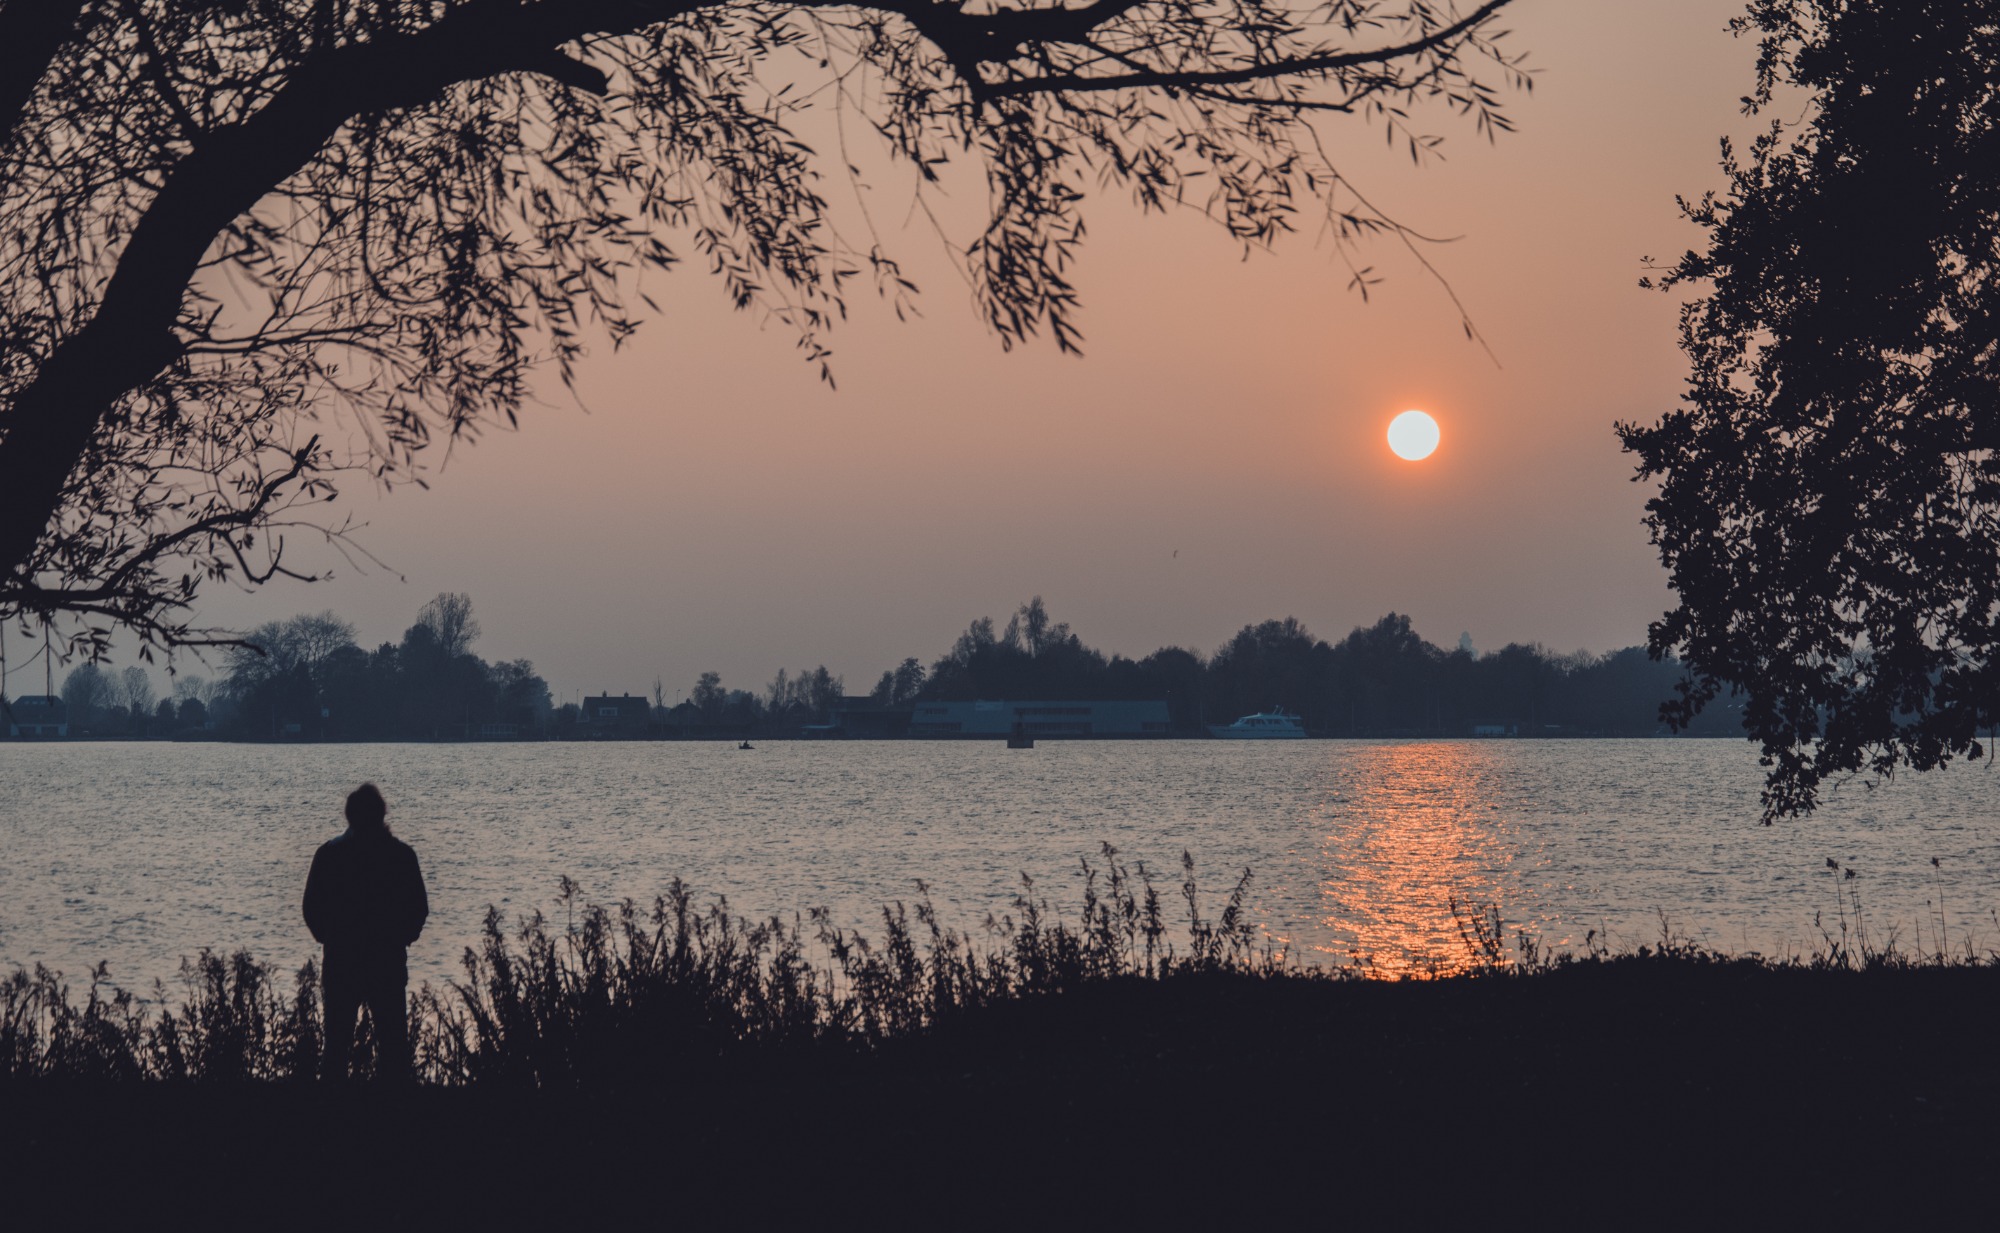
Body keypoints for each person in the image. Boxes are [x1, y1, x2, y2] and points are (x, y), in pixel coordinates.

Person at [303, 783, 429, 1081]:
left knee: (336, 1046)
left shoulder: (329, 854)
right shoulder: (401, 856)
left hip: (341, 961)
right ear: (381, 814)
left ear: (349, 816)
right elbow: (418, 908)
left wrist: (328, 937)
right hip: (386, 960)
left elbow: (311, 906)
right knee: (392, 1046)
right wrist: (402, 937)